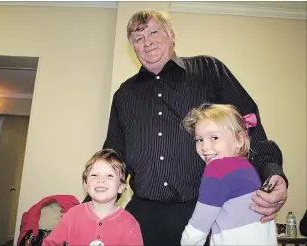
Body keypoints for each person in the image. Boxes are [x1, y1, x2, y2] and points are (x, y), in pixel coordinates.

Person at [86, 10, 288, 246]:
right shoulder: (124, 94)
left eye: (153, 32)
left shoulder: (209, 70)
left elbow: (248, 124)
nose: (147, 41)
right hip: (143, 216)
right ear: (133, 48)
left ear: (171, 35)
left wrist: (273, 173)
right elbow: (113, 153)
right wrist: (89, 206)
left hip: (206, 210)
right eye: (138, 38)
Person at [180, 103, 277, 245]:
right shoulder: (247, 167)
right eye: (199, 139)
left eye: (214, 138)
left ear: (239, 140)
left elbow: (198, 228)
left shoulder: (217, 170)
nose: (205, 147)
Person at [43, 149, 143, 246]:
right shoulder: (72, 215)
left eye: (109, 176)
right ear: (86, 185)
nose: (101, 180)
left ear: (121, 187)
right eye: (94, 175)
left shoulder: (130, 224)